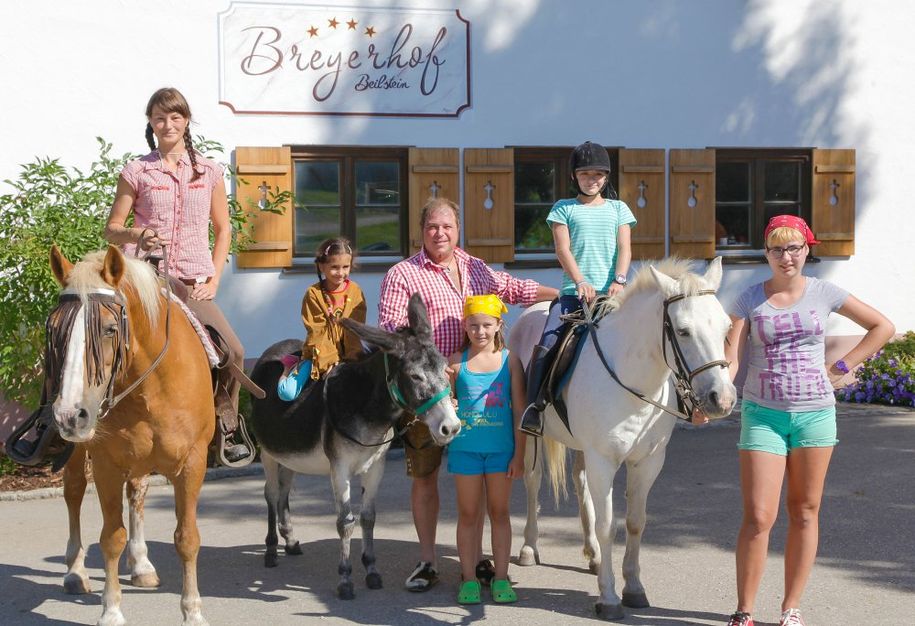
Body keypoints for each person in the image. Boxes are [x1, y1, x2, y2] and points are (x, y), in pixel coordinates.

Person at [722, 215, 895, 626]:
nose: (787, 257)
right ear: (766, 253)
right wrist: (714, 398)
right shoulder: (747, 300)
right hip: (762, 415)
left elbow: (882, 326)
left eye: (795, 248)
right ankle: (744, 611)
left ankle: (790, 608)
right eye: (778, 249)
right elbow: (731, 361)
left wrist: (843, 364)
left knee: (804, 511)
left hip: (816, 415)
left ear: (807, 250)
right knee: (759, 516)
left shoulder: (825, 292)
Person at [378, 197, 557, 592]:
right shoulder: (402, 274)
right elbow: (393, 331)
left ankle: (475, 561)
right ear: (421, 231)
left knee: (479, 488)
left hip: (477, 391)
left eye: (447, 227)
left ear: (457, 230)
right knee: (425, 477)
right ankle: (427, 561)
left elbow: (513, 287)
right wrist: (435, 367)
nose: (439, 233)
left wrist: (560, 294)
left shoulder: (473, 267)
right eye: (431, 227)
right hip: (429, 397)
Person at [104, 87, 254, 466]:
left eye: (174, 117)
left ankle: (226, 424)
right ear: (150, 124)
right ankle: (79, 416)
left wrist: (215, 278)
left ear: (186, 121)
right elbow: (112, 229)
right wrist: (137, 235)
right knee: (98, 338)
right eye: (158, 117)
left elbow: (223, 230)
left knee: (234, 351)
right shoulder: (137, 171)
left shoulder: (209, 171)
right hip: (146, 277)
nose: (167, 124)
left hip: (193, 281)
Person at [519, 141, 636, 436]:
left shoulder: (619, 209)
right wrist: (581, 281)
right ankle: (535, 407)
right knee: (548, 340)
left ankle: (678, 397)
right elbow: (563, 250)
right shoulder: (563, 209)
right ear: (574, 177)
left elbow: (625, 249)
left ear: (606, 178)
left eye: (598, 174)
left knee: (649, 334)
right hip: (575, 293)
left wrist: (619, 280)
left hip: (613, 294)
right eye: (585, 174)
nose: (592, 179)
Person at [447, 295, 526, 605]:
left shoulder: (511, 360)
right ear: (465, 326)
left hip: (501, 452)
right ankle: (468, 579)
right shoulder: (455, 362)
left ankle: (502, 577)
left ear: (498, 326)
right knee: (467, 514)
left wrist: (520, 455)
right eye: (474, 325)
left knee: (500, 513)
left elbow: (520, 411)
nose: (480, 331)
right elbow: (446, 406)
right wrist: (449, 398)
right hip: (465, 450)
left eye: (486, 325)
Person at [277, 237, 366, 401]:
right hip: (320, 354)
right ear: (321, 266)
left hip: (349, 354)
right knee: (287, 394)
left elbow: (355, 329)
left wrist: (353, 360)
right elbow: (318, 332)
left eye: (345, 267)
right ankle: (288, 367)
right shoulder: (313, 294)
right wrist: (329, 361)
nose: (341, 273)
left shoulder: (355, 291)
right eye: (334, 267)